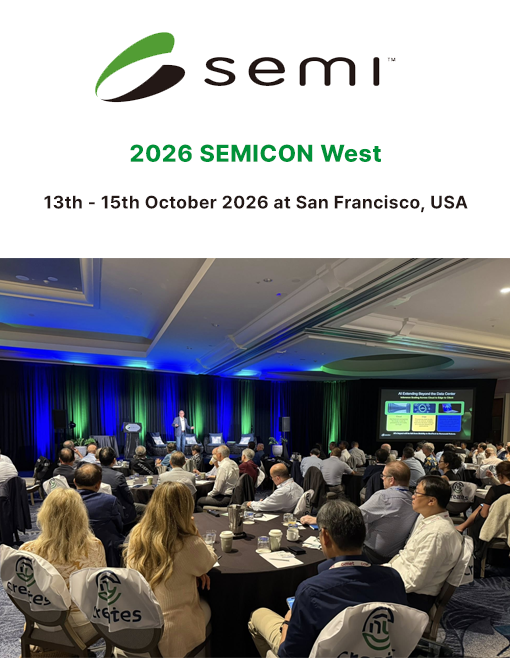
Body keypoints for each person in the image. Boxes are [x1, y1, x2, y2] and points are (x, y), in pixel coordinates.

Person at [248, 501, 407, 658]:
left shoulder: (311, 591)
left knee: (257, 616)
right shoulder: (394, 578)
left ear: (325, 536)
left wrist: (288, 623)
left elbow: (289, 654)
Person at [125, 482, 216, 658]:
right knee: (212, 607)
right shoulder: (189, 543)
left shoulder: (137, 533)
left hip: (138, 619)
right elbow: (209, 560)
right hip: (172, 627)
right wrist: (194, 531)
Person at [20, 488, 107, 644]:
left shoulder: (26, 551)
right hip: (82, 621)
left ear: (44, 514)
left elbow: (24, 594)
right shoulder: (95, 546)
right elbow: (101, 591)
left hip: (43, 621)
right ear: (81, 516)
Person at [387, 475, 463, 613]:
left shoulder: (436, 534)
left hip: (411, 598)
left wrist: (383, 582)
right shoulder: (430, 521)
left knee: (351, 591)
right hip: (400, 580)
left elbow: (415, 581)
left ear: (431, 501)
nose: (413, 496)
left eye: (417, 492)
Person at [359, 461, 418, 564]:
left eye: (383, 475)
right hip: (394, 556)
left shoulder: (384, 496)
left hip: (370, 554)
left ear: (391, 480)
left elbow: (356, 517)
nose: (382, 478)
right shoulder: (413, 501)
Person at [74, 463, 125, 567]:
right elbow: (120, 525)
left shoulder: (64, 501)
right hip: (108, 553)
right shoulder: (110, 501)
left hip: (73, 550)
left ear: (74, 482)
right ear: (98, 485)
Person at [456, 462, 510, 538]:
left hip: (496, 525)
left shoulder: (495, 491)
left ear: (500, 475)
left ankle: (464, 528)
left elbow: (484, 514)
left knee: (481, 507)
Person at [98, 447, 145, 526]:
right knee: (146, 508)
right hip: (121, 512)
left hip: (101, 511)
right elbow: (129, 497)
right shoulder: (118, 476)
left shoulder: (94, 474)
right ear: (114, 460)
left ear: (99, 460)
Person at [196, 445, 239, 511]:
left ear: (219, 454)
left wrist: (208, 495)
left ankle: (206, 516)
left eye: (215, 454)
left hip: (224, 499)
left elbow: (217, 490)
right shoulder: (234, 463)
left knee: (199, 500)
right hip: (233, 497)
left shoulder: (223, 467)